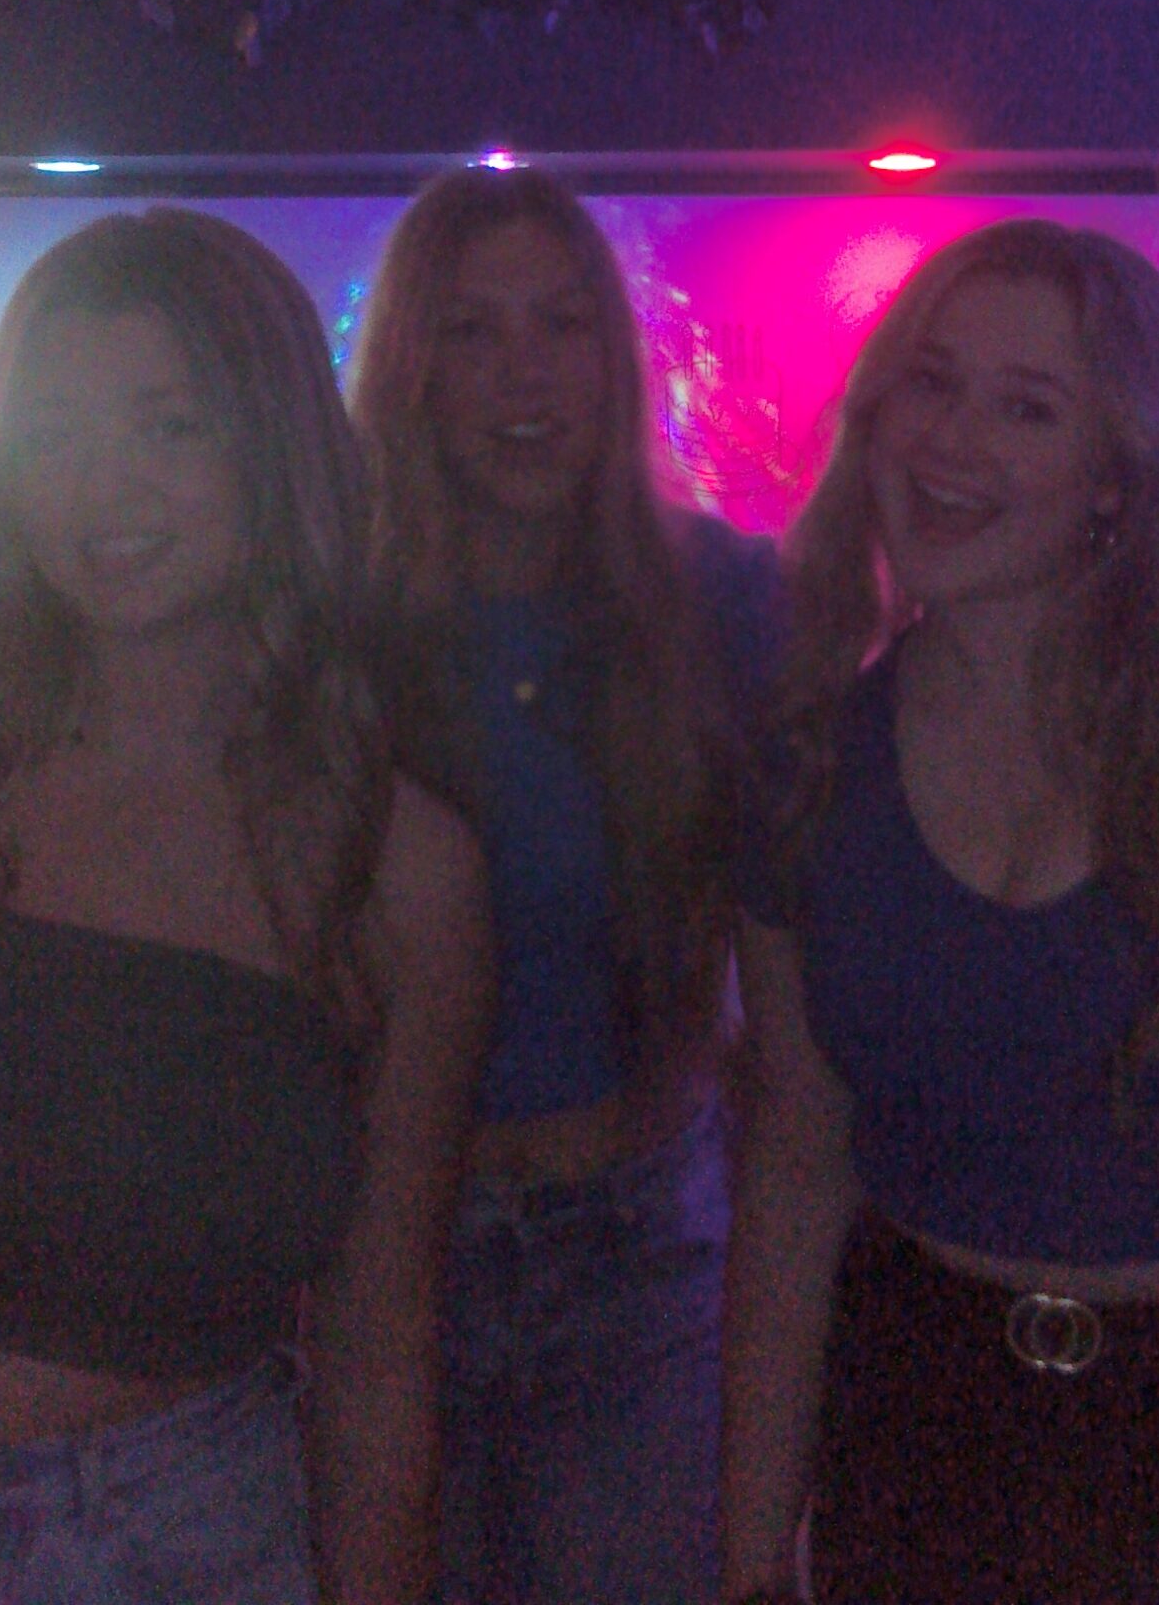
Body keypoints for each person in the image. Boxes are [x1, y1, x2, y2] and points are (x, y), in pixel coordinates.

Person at [0, 207, 488, 1605]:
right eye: (55, 430)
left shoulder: (395, 867)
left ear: (275, 448)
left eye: (169, 425)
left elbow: (381, 1348)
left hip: (177, 1543)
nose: (102, 484)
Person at [722, 216, 1159, 1605]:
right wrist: (747, 1564)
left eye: (1027, 408)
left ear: (1119, 474)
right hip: (917, 1428)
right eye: (932, 383)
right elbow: (795, 1179)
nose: (951, 440)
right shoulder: (806, 769)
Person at [348, 165, 781, 1605]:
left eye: (562, 323)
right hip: (372, 1254)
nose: (524, 372)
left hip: (640, 1247)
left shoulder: (724, 603)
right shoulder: (325, 624)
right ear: (410, 370)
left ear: (614, 355)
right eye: (472, 330)